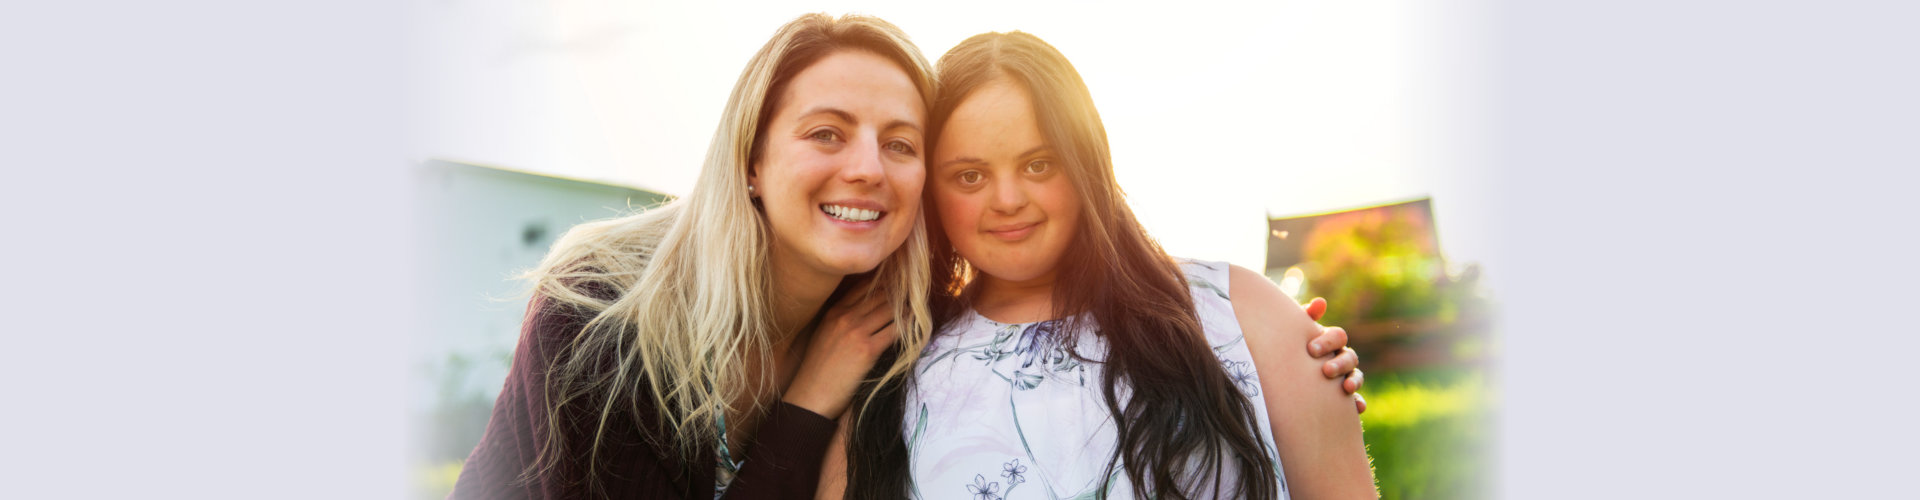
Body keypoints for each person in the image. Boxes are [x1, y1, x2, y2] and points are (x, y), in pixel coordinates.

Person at [831, 31, 1377, 499]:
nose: (1007, 199)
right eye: (970, 176)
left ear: (1086, 164)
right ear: (931, 190)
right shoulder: (892, 371)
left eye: (1039, 164)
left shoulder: (1240, 311)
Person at [449, 13, 938, 499]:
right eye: (826, 133)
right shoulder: (601, 311)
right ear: (751, 159)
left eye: (900, 144)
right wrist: (808, 406)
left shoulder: (888, 330)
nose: (869, 169)